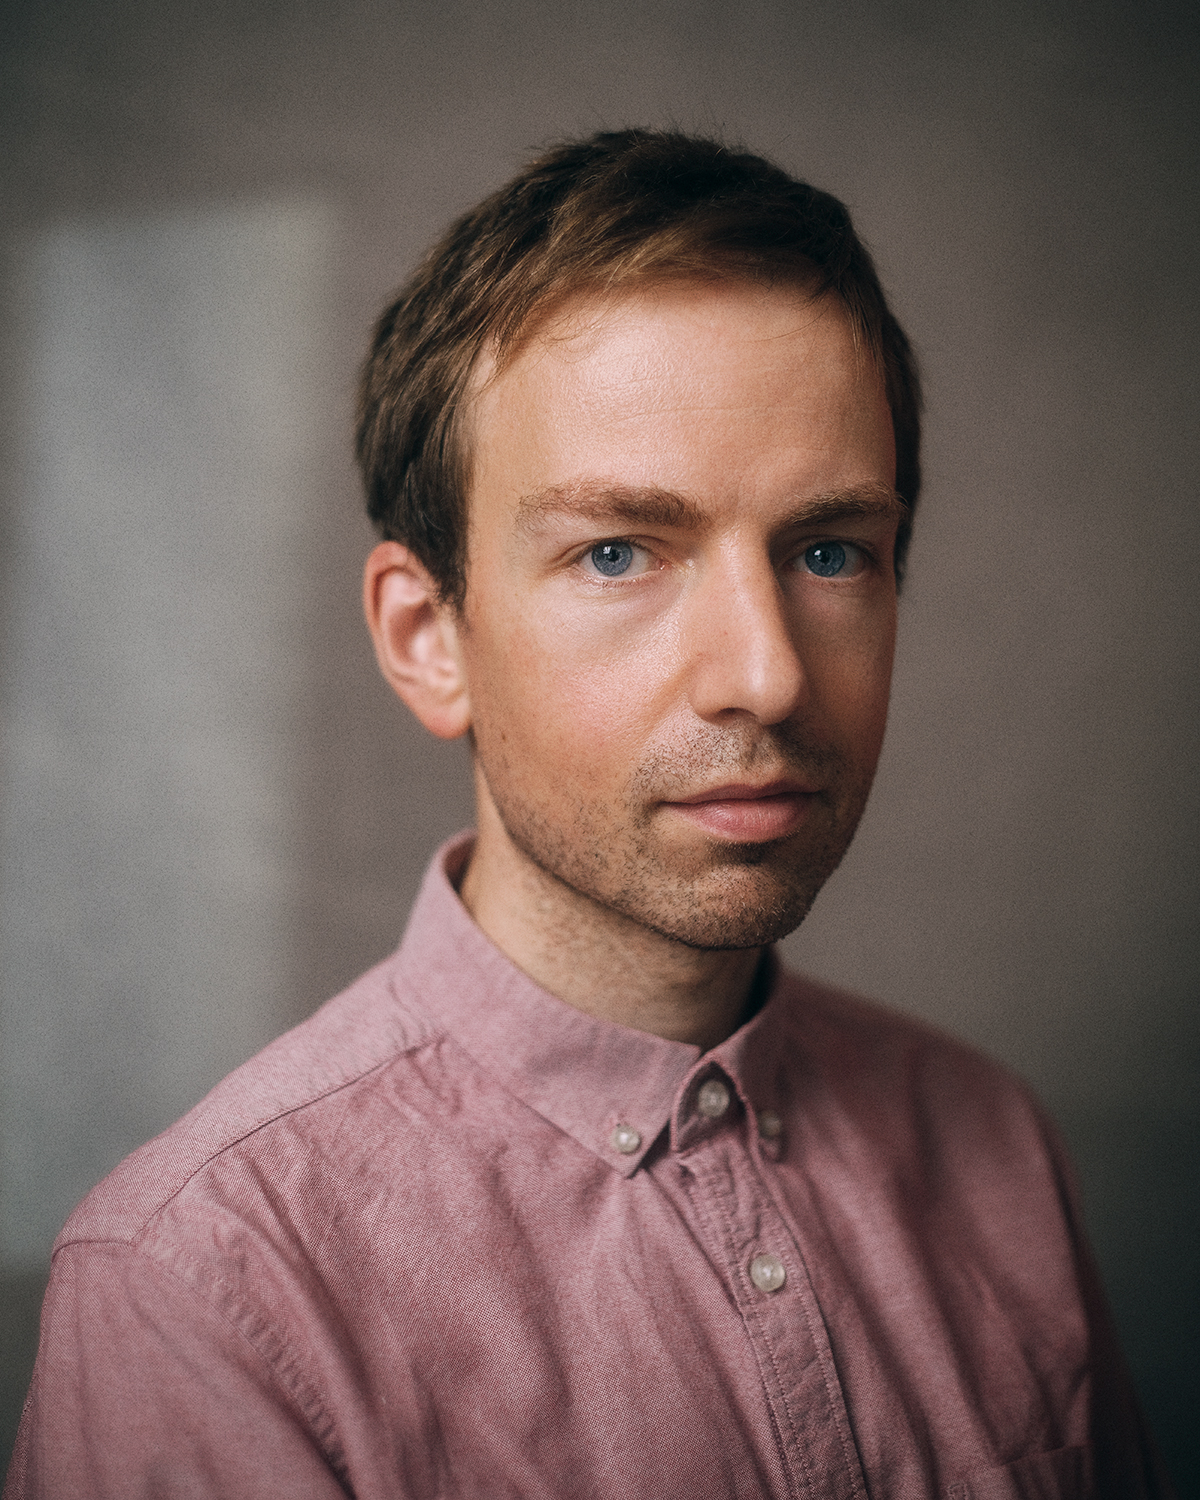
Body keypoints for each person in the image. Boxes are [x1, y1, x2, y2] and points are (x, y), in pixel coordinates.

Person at [5, 130, 1171, 1499]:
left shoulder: (997, 1148)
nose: (769, 672)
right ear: (429, 635)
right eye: (619, 551)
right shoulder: (201, 1290)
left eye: (829, 550)